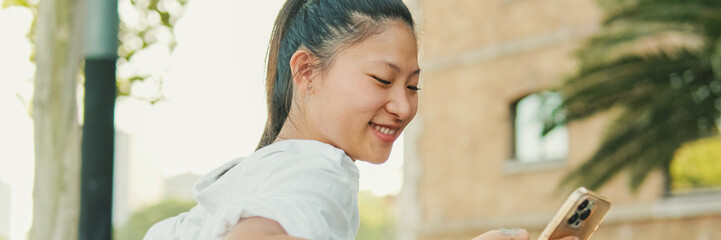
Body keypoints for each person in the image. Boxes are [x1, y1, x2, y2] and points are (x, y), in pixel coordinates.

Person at [143, 0, 580, 239]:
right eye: (381, 79)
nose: (404, 107)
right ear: (306, 71)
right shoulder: (316, 171)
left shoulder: (249, 175)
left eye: (412, 86)